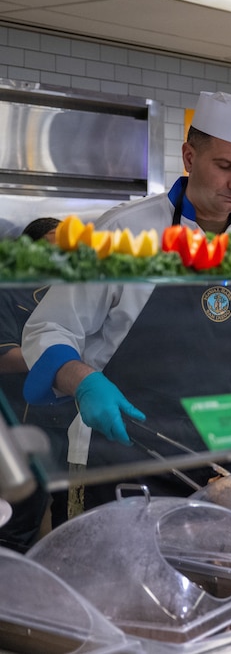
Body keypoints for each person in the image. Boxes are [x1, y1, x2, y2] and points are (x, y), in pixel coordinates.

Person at [20, 91, 231, 511]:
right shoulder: (122, 234)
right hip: (122, 457)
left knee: (219, 576)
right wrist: (84, 383)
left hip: (222, 457)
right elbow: (49, 328)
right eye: (225, 166)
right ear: (189, 156)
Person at [0, 217, 76, 550]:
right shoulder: (8, 291)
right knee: (19, 521)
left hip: (74, 422)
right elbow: (3, 357)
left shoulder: (77, 292)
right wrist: (60, 361)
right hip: (26, 423)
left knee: (68, 516)